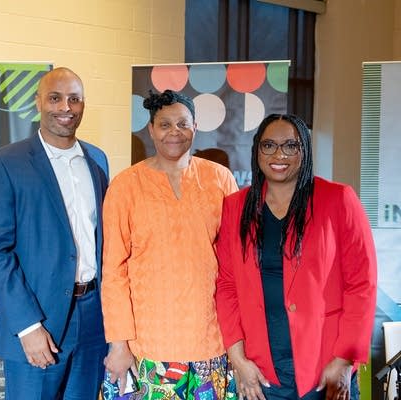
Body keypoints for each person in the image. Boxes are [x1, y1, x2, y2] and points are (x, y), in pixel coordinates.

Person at [215, 114, 377, 400]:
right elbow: (226, 286)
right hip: (261, 368)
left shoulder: (338, 199)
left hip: (323, 365)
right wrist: (238, 359)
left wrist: (343, 360)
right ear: (257, 151)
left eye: (291, 145)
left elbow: (361, 285)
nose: (279, 154)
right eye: (269, 145)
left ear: (305, 151)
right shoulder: (236, 207)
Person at [0, 67, 109, 399]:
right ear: (38, 102)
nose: (65, 107)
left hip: (94, 316)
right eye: (55, 98)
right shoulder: (7, 162)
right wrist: (28, 325)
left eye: (74, 99)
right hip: (39, 320)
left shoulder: (97, 160)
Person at [101, 90, 238, 399]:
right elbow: (114, 270)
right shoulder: (126, 186)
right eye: (164, 124)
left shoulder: (220, 179)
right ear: (150, 129)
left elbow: (234, 265)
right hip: (148, 346)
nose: (174, 132)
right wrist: (119, 343)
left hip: (211, 341)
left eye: (182, 123)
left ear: (195, 127)